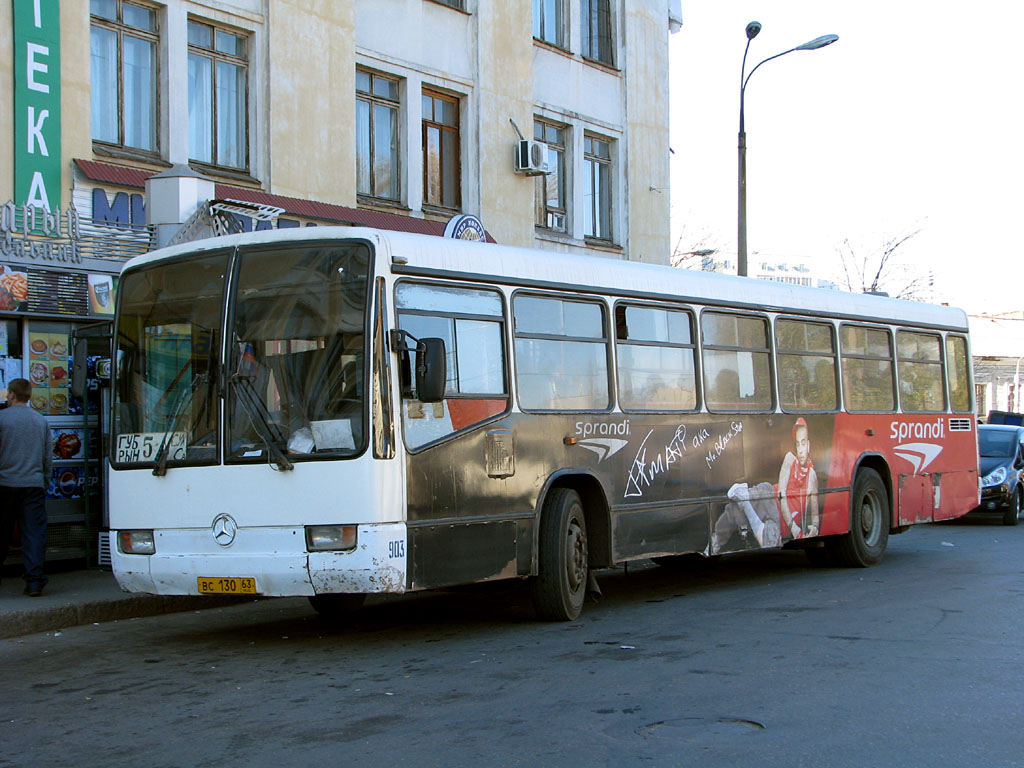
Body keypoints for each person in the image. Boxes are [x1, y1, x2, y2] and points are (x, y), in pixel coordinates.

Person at [0, 378, 52, 596]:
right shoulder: (40, 421)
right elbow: (47, 458)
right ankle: (34, 582)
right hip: (33, 484)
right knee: (33, 534)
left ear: (11, 395)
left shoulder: (2, 419)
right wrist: (44, 482)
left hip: (4, 484)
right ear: (29, 396)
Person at [778, 417, 820, 539]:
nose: (800, 450)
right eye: (797, 444)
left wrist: (815, 527)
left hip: (783, 523)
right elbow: (781, 496)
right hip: (773, 504)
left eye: (803, 443)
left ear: (809, 445)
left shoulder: (812, 476)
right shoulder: (789, 459)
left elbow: (815, 513)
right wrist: (793, 527)